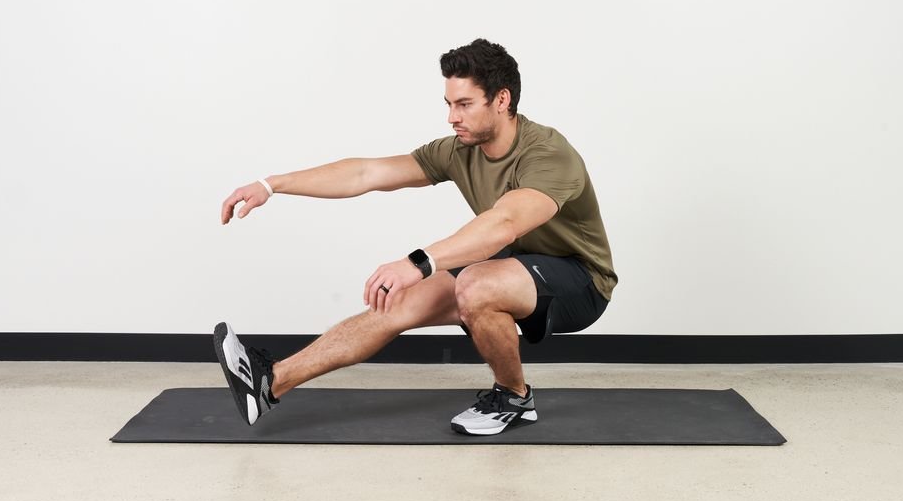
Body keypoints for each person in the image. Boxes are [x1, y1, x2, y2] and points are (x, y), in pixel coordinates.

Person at [214, 38, 617, 436]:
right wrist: (271, 185)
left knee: (476, 283)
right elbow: (366, 173)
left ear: (501, 100)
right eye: (449, 104)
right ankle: (269, 384)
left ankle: (513, 396)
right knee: (398, 301)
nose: (451, 118)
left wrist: (417, 263)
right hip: (519, 263)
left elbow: (504, 225)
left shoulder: (548, 154)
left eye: (464, 105)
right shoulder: (460, 150)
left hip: (580, 279)